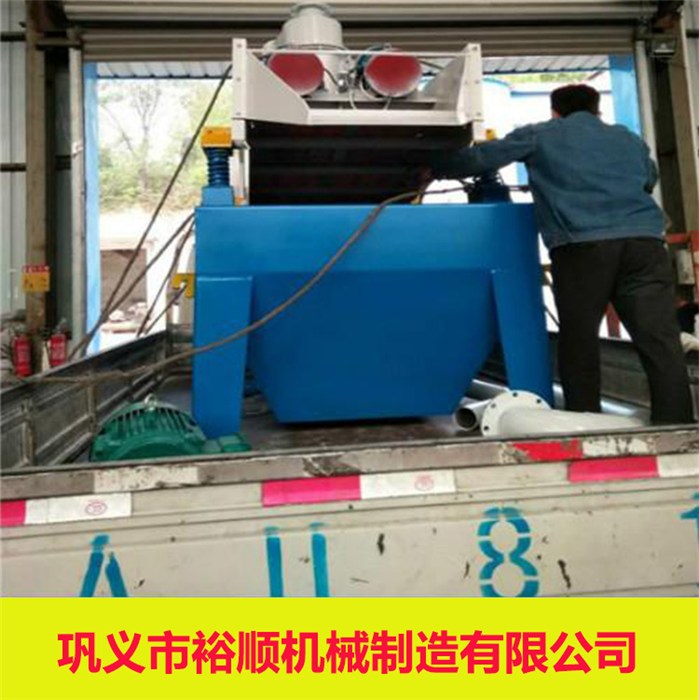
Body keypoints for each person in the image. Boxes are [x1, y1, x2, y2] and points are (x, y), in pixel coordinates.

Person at [430, 83, 694, 425]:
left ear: (555, 111)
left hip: (582, 247)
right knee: (659, 339)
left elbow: (479, 159)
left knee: (579, 338)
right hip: (645, 244)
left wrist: (431, 165)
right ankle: (677, 422)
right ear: (597, 109)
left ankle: (586, 422)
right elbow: (648, 178)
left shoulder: (540, 135)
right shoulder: (627, 139)